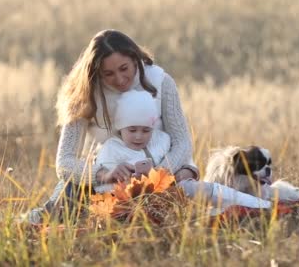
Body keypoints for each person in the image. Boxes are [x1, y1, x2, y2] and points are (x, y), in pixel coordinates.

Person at [27, 29, 203, 223]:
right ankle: (30, 220)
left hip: (164, 173)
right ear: (96, 72)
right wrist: (103, 174)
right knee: (56, 210)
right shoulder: (83, 92)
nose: (119, 79)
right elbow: (65, 162)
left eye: (124, 68)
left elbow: (182, 142)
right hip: (105, 183)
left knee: (179, 197)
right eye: (108, 74)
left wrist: (157, 176)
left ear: (135, 58)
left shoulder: (161, 82)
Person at [92, 89, 272, 211]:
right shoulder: (111, 149)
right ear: (120, 128)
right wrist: (120, 179)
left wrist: (185, 172)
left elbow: (186, 162)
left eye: (146, 130)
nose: (139, 136)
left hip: (174, 193)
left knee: (202, 188)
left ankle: (258, 205)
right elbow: (102, 187)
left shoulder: (162, 141)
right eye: (132, 130)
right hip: (132, 203)